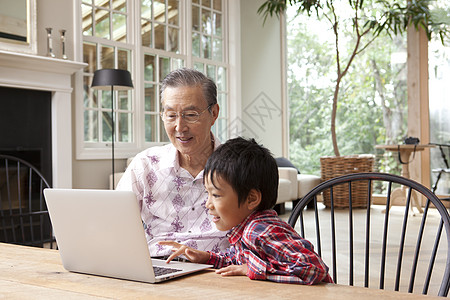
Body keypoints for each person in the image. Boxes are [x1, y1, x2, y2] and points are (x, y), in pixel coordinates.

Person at [159, 137, 333, 285]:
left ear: (251, 199)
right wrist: (206, 257)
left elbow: (313, 269)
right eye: (208, 193)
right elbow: (236, 261)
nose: (208, 204)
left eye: (216, 195)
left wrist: (253, 269)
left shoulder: (258, 231)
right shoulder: (243, 229)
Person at [116, 68, 229, 257]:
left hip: (218, 268)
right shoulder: (145, 165)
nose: (179, 127)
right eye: (171, 115)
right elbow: (115, 222)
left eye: (191, 114)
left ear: (214, 113)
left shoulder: (237, 165)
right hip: (157, 265)